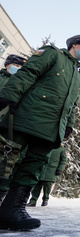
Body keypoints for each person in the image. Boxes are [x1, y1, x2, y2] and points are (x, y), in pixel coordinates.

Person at [0, 35, 80, 231]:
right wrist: (10, 95)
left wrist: (68, 125)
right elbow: (29, 72)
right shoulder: (53, 54)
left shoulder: (78, 76)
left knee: (33, 167)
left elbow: (72, 106)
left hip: (51, 129)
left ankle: (13, 209)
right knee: (5, 160)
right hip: (28, 117)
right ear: (74, 45)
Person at [0, 54, 27, 204]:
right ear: (7, 65)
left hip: (9, 127)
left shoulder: (21, 84)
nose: (18, 70)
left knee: (6, 164)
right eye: (16, 66)